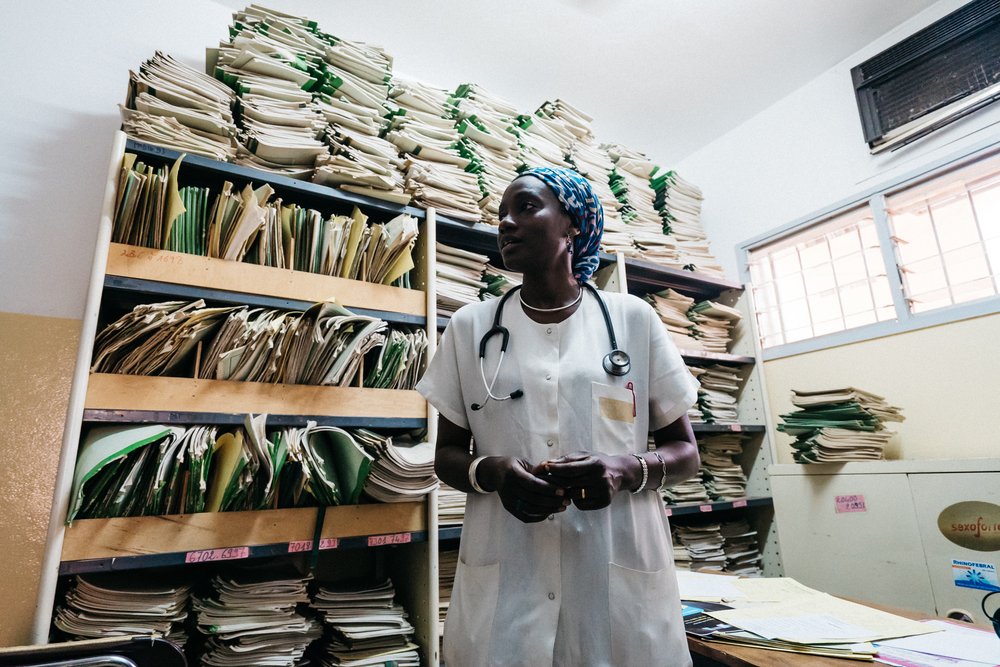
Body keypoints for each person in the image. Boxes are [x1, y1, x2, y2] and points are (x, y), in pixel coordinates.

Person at [417, 166, 700, 666]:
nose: (506, 223)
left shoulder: (632, 319)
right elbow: (446, 456)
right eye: (501, 214)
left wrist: (624, 468)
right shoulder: (471, 327)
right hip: (509, 573)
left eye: (525, 207)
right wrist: (493, 472)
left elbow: (685, 454)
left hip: (616, 570)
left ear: (572, 223)